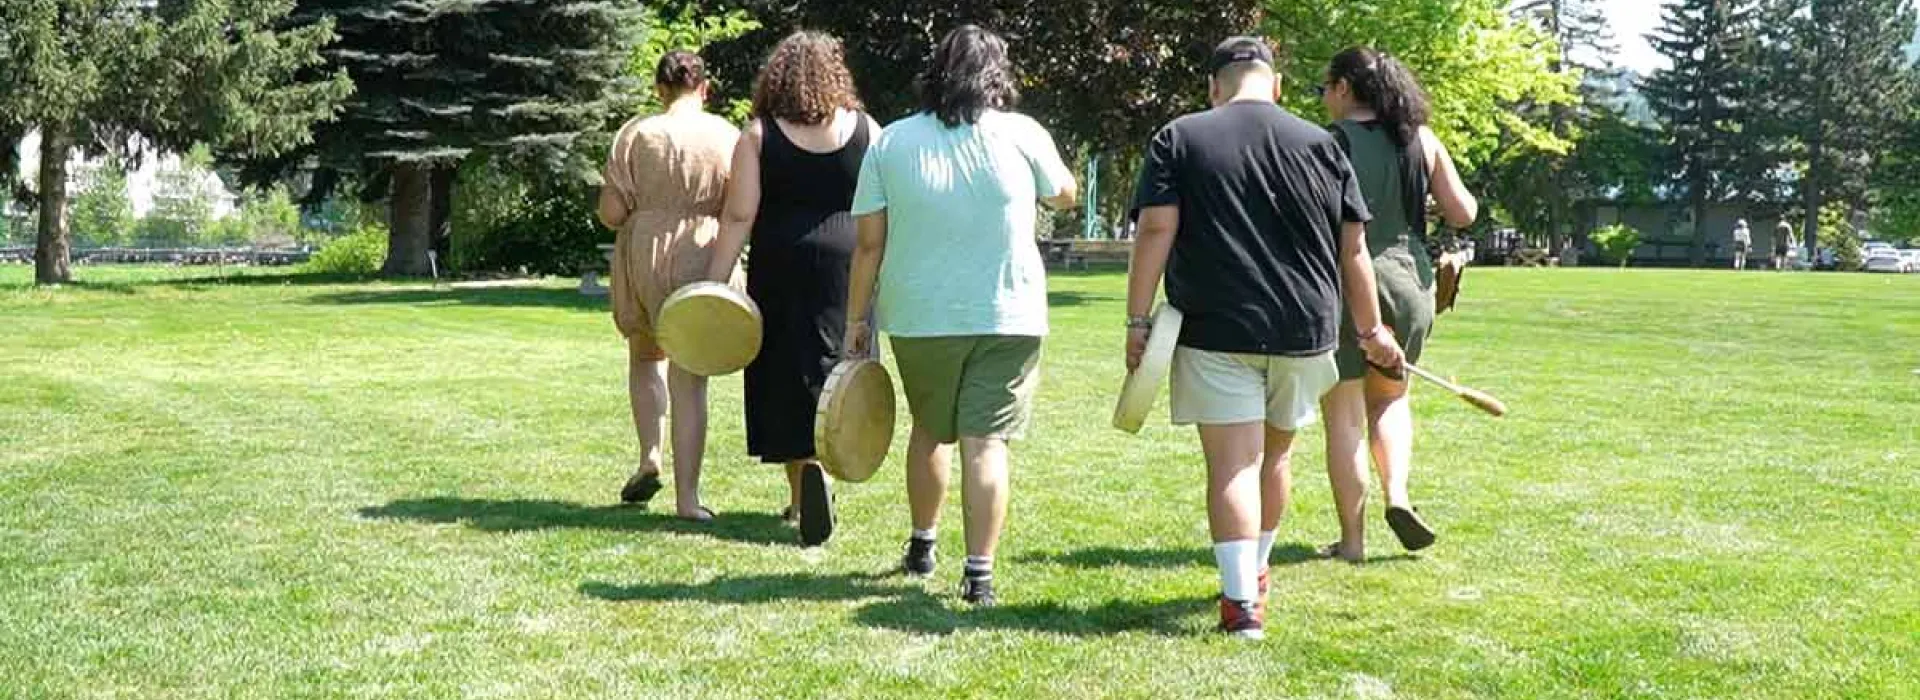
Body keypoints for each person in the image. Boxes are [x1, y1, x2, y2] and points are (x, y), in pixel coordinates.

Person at [1125, 37, 1404, 640]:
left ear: (1213, 86)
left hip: (1215, 327)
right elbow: (1352, 248)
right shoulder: (1324, 145)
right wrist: (1372, 329)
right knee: (1274, 457)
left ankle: (1241, 605)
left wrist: (1138, 321)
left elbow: (1155, 230)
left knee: (1232, 465)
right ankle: (1255, 572)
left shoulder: (1180, 136)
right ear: (1275, 85)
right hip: (1305, 330)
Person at [845, 25, 1077, 607]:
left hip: (920, 314)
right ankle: (980, 574)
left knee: (930, 431)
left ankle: (923, 543)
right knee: (987, 442)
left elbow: (868, 244)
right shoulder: (1022, 133)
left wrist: (856, 320)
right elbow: (1066, 194)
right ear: (997, 77)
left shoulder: (892, 141)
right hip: (1009, 311)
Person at [707, 32, 880, 547]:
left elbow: (739, 215)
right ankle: (827, 469)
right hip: (850, 263)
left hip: (782, 262)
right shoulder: (868, 129)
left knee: (787, 372)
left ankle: (805, 479)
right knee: (841, 366)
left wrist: (711, 287)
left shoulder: (758, 135)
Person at [1316, 47, 1479, 563]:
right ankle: (1400, 496)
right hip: (1411, 282)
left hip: (1345, 281)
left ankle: (1353, 541)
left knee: (1343, 416)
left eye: (1326, 88)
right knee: (1389, 399)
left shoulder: (1328, 144)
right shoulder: (1421, 138)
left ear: (1344, 87)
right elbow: (1463, 212)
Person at [598, 51, 740, 522]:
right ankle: (687, 499)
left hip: (644, 253)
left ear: (660, 89)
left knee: (644, 356)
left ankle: (649, 456)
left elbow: (611, 214)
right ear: (705, 88)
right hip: (705, 249)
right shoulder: (727, 135)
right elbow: (743, 206)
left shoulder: (637, 133)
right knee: (689, 375)